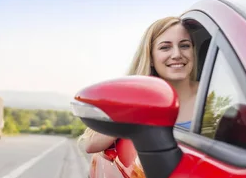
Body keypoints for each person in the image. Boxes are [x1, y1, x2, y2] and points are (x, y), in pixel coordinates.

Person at [80, 16, 199, 154]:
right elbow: (90, 145)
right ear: (151, 58)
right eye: (165, 47)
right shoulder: (139, 102)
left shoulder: (214, 93)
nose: (177, 54)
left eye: (185, 45)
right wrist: (137, 109)